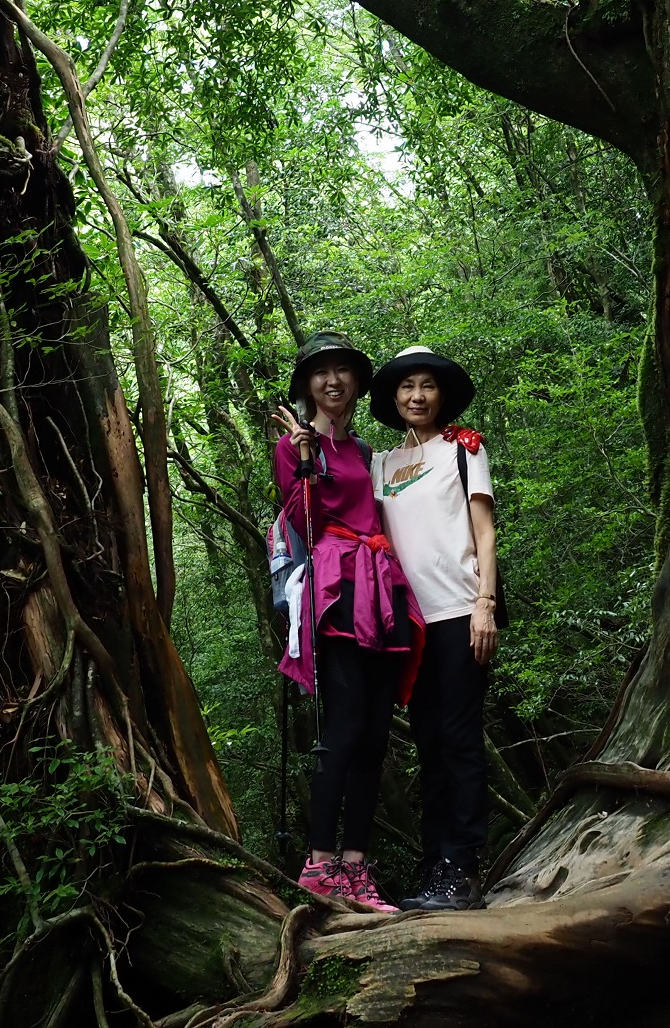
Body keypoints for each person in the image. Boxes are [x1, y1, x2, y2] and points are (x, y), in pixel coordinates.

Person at [271, 330, 424, 913]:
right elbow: (303, 520)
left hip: (382, 588)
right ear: (307, 385)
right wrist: (306, 456)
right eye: (320, 373)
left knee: (375, 736)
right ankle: (318, 865)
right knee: (342, 729)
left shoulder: (363, 452)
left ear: (356, 383)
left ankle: (356, 867)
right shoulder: (294, 446)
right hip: (337, 592)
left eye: (342, 371)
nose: (333, 381)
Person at [368, 345, 499, 911]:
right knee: (428, 743)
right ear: (393, 398)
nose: (416, 396)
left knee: (460, 739)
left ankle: (463, 865)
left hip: (461, 610)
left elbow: (485, 532)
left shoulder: (464, 449)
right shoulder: (381, 465)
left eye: (426, 386)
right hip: (410, 623)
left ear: (441, 395)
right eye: (405, 387)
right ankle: (435, 860)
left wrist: (486, 603)